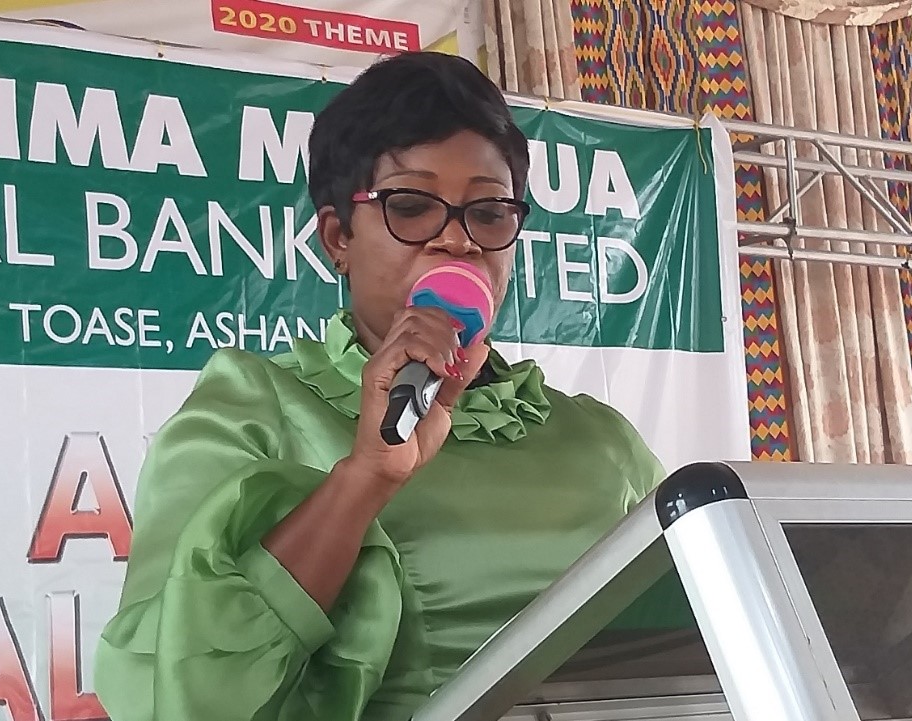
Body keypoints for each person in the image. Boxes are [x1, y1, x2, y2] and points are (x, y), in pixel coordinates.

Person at [93, 51, 665, 721]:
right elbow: (174, 694)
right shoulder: (250, 411)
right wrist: (366, 477)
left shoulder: (602, 440)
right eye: (412, 207)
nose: (458, 241)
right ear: (338, 236)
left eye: (488, 212)